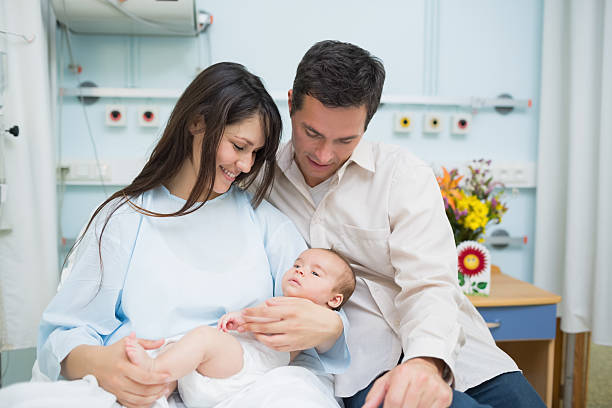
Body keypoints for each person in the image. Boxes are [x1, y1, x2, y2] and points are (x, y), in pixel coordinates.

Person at [241, 40, 546, 408]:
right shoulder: (258, 174)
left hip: (449, 349)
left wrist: (426, 362)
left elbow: (430, 281)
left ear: (368, 122)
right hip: (362, 364)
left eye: (345, 140)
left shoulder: (402, 176)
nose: (324, 155)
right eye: (313, 133)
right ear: (291, 103)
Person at [28, 62, 348, 408]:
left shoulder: (268, 225)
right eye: (239, 146)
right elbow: (64, 333)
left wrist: (330, 327)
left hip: (246, 390)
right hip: (144, 389)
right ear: (197, 123)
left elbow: (321, 308)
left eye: (256, 154)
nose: (245, 166)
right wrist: (102, 365)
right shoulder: (123, 219)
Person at [123, 247, 355, 408]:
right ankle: (156, 387)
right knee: (185, 343)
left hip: (249, 367)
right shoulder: (278, 301)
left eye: (314, 273)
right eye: (297, 265)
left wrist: (245, 319)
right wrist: (242, 319)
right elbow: (259, 318)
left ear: (334, 300)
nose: (299, 271)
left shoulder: (310, 315)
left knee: (204, 338)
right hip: (233, 369)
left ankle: (152, 372)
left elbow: (272, 324)